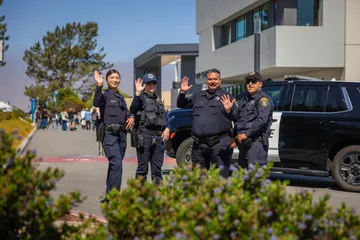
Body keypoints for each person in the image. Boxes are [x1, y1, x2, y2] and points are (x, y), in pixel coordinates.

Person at [177, 68, 238, 177]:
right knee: (199, 179)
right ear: (206, 81)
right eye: (210, 79)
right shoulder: (198, 96)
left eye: (215, 79)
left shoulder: (227, 97)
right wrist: (182, 92)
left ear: (220, 81)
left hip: (219, 145)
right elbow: (181, 104)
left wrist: (229, 110)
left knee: (220, 179)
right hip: (199, 145)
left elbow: (237, 118)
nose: (212, 81)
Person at [93, 69, 134, 202]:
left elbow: (126, 113)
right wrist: (99, 85)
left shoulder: (121, 98)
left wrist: (131, 117)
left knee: (114, 165)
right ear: (107, 80)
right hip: (109, 135)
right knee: (117, 164)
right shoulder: (104, 95)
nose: (115, 80)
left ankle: (109, 196)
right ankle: (115, 197)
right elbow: (96, 102)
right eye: (112, 77)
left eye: (117, 77)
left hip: (122, 135)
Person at [130, 73, 170, 185]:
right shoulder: (140, 99)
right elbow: (133, 108)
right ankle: (140, 196)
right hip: (144, 136)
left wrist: (167, 128)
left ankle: (156, 196)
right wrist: (137, 93)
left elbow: (164, 116)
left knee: (157, 169)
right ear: (144, 85)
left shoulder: (158, 100)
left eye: (153, 83)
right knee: (142, 169)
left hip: (158, 137)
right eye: (148, 83)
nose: (151, 85)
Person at [235, 71, 274, 168]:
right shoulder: (245, 100)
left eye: (254, 81)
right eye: (248, 81)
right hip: (244, 143)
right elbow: (239, 119)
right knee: (243, 177)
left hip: (256, 144)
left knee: (255, 177)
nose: (250, 84)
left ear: (260, 84)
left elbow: (261, 120)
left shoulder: (263, 99)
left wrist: (246, 134)